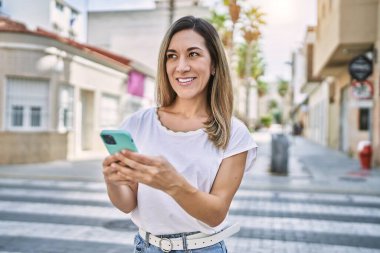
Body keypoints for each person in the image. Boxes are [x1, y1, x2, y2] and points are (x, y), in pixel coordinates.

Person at [102, 16, 258, 253]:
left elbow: (215, 214)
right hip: (146, 247)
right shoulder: (136, 124)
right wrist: (113, 182)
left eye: (193, 54)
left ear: (214, 64)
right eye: (172, 56)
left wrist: (172, 184)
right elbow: (127, 203)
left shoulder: (234, 133)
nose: (181, 66)